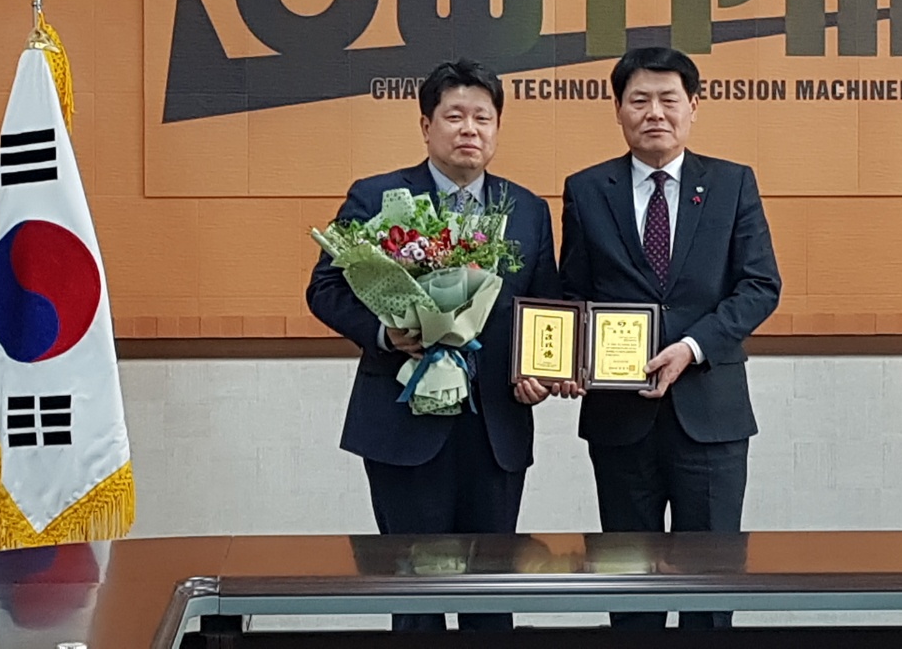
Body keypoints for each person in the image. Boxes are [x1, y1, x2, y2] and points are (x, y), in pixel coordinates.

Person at [306, 59, 566, 632]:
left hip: (495, 428)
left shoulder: (527, 209)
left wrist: (541, 372)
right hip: (403, 427)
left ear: (497, 127)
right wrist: (386, 334)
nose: (469, 129)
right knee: (414, 596)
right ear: (426, 126)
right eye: (454, 116)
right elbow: (324, 290)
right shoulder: (378, 197)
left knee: (491, 599)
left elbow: (543, 306)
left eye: (482, 117)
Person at [560, 46, 782, 630]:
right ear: (618, 109)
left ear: (694, 106)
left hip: (710, 417)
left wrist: (692, 347)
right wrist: (565, 355)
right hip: (619, 416)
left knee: (709, 584)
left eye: (668, 99)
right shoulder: (586, 189)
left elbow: (760, 285)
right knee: (629, 584)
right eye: (639, 100)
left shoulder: (732, 183)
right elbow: (573, 294)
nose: (654, 112)